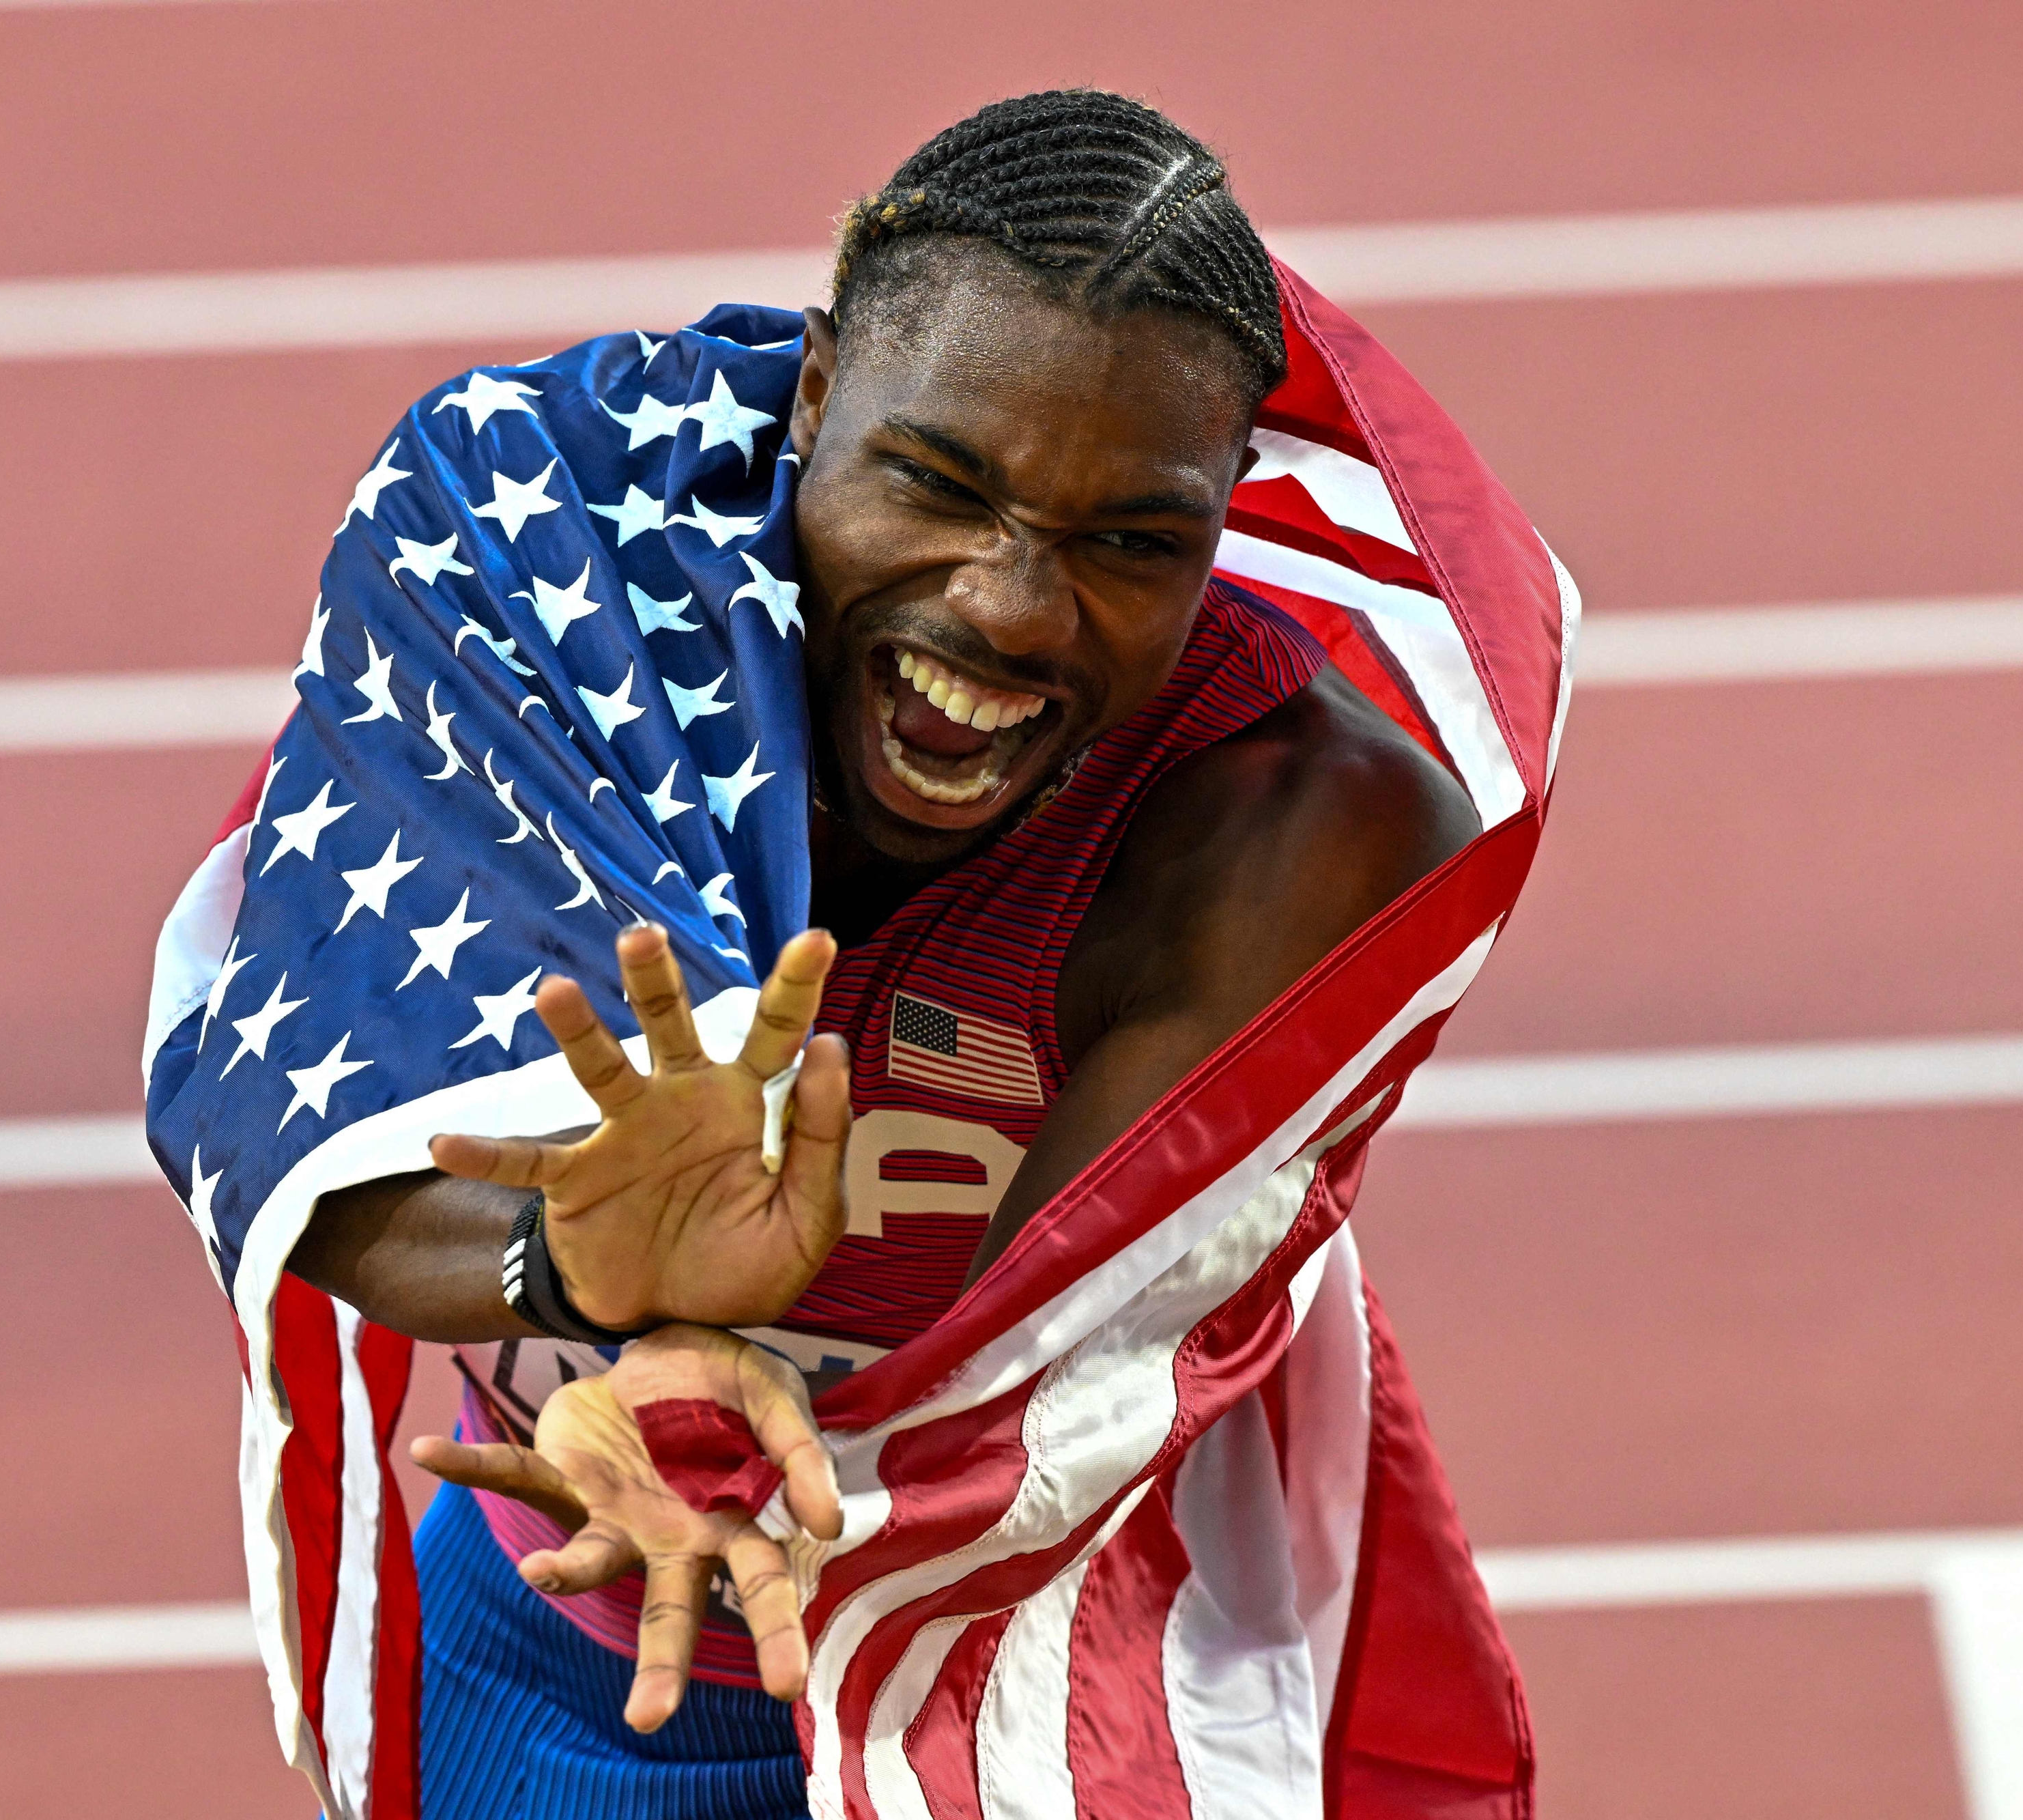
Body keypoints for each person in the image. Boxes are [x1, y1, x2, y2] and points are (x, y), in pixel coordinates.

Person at [147, 88, 1564, 1820]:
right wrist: (570, 1280)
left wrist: (696, 1413)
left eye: (1131, 542)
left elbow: (1024, 1399)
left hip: (1032, 1664)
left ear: (1223, 517)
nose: (1007, 609)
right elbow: (303, 1145)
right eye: (938, 483)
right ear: (814, 393)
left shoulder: (1298, 830)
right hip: (565, 1646)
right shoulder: (557, 622)